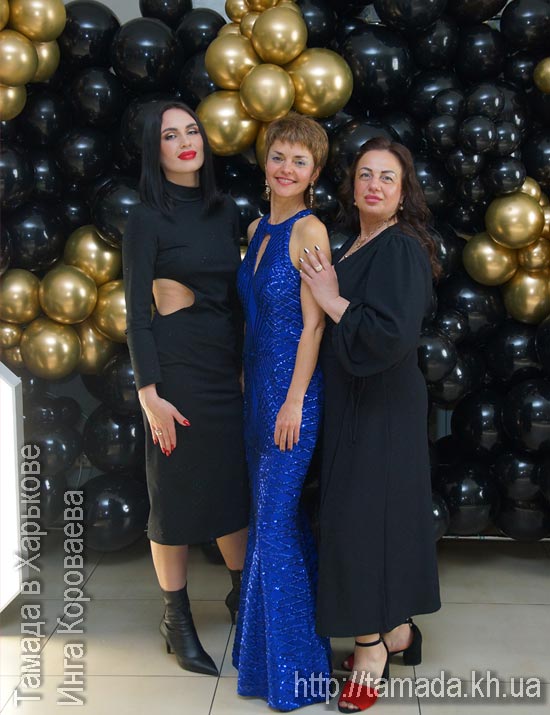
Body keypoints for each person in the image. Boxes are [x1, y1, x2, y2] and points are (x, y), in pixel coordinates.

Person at [300, 137, 442, 713]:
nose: (374, 185)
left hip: (382, 406)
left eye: (387, 177)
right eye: (365, 175)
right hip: (356, 403)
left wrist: (331, 300)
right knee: (371, 521)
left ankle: (370, 650)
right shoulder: (356, 242)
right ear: (352, 186)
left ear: (403, 193)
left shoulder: (400, 247)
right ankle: (398, 630)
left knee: (359, 525)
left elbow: (390, 336)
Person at [122, 100, 249, 677]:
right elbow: (136, 315)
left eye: (191, 131)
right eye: (170, 136)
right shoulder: (146, 218)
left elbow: (237, 300)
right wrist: (149, 393)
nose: (185, 142)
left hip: (225, 369)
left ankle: (243, 598)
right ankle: (176, 620)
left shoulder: (225, 212)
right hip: (175, 373)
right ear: (155, 150)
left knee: (230, 489)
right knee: (172, 495)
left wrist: (244, 366)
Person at [232, 113, 332, 710]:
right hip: (257, 396)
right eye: (278, 156)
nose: (286, 168)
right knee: (275, 523)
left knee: (271, 527)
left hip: (292, 398)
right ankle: (267, 661)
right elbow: (255, 316)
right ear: (264, 163)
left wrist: (294, 399)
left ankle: (299, 673)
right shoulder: (256, 227)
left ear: (314, 173)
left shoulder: (309, 229)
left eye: (300, 160)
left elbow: (314, 326)